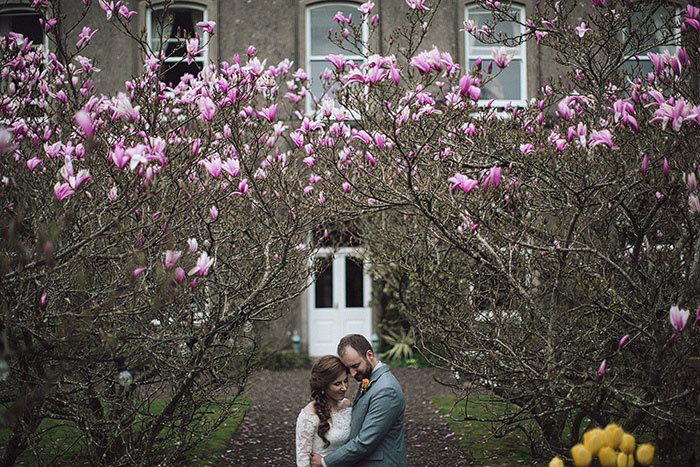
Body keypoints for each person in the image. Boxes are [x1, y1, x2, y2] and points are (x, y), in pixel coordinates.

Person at [310, 334, 408, 467]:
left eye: (355, 366)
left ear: (370, 355)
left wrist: (324, 462)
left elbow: (365, 442)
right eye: (348, 368)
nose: (352, 374)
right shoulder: (373, 380)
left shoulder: (386, 390)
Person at [296, 355, 353, 467]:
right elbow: (303, 461)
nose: (344, 388)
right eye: (337, 384)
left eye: (345, 381)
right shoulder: (309, 415)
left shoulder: (347, 405)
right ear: (323, 386)